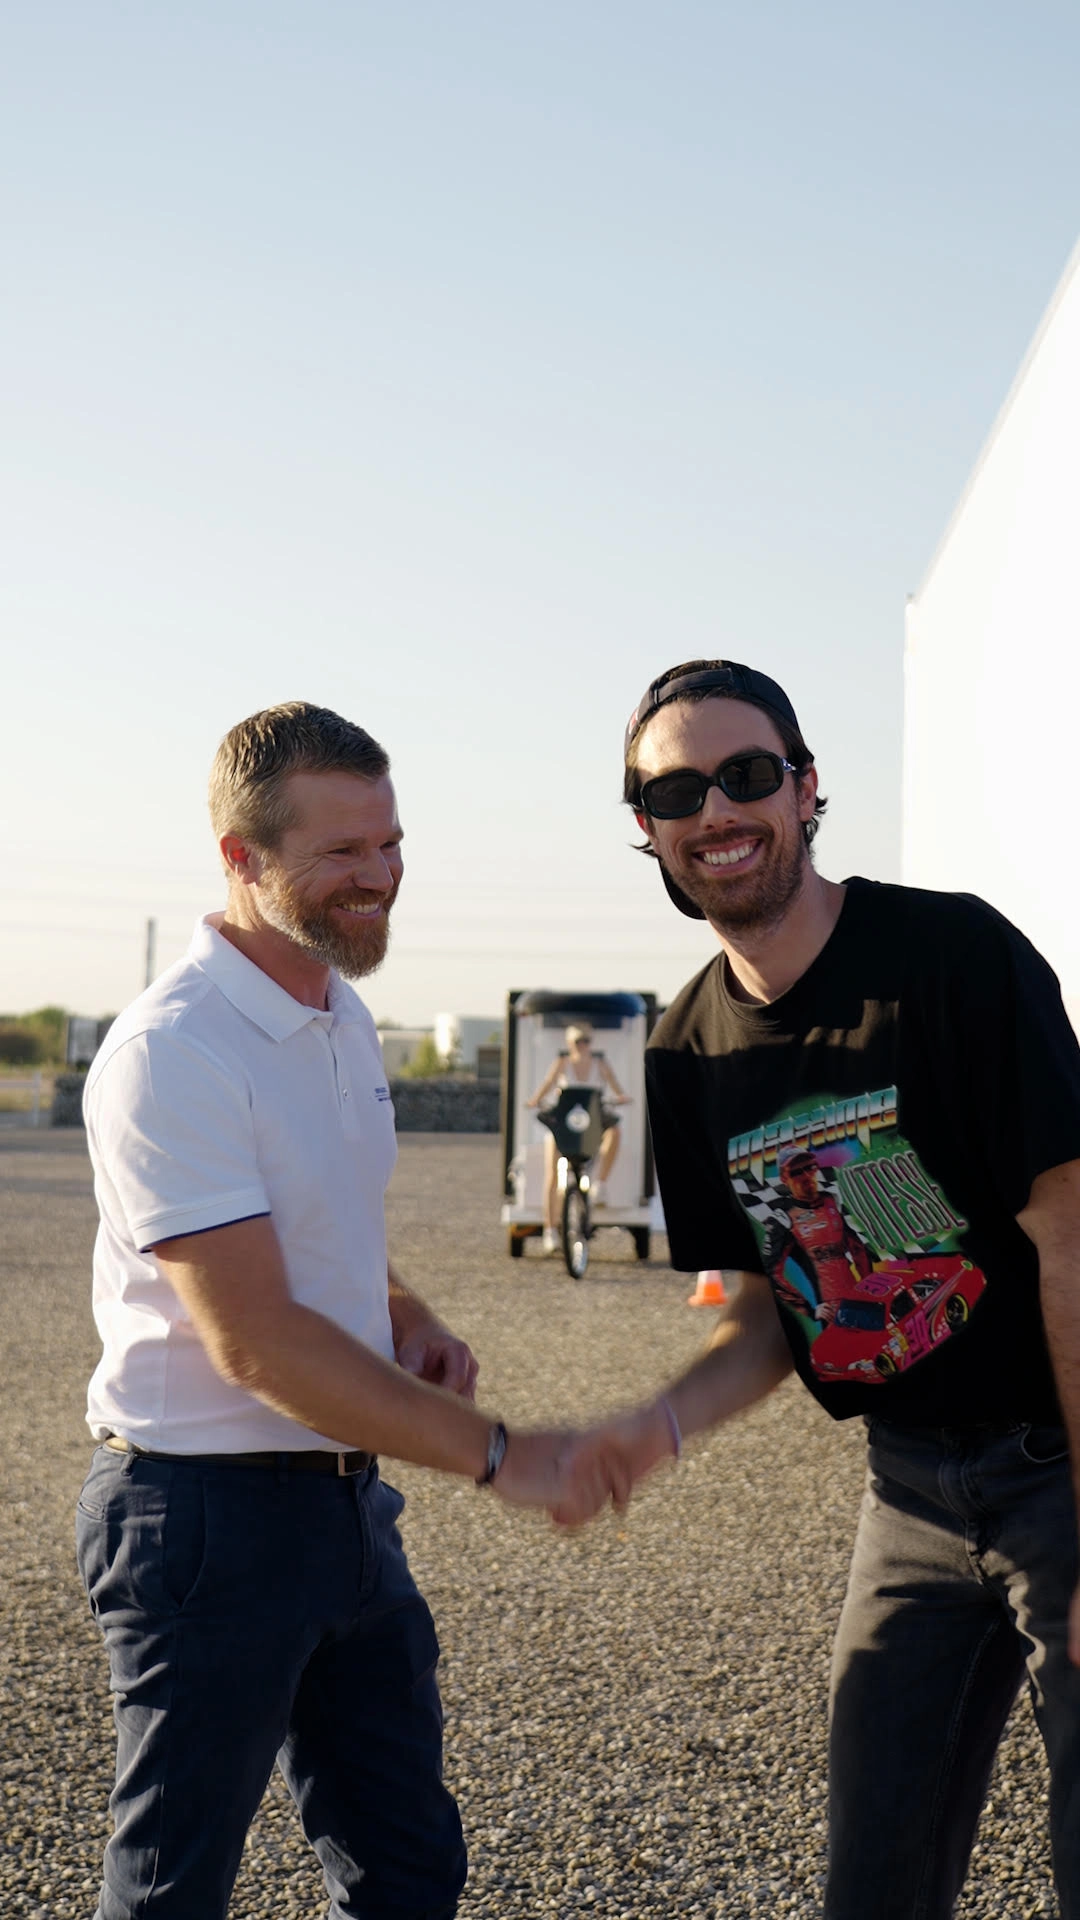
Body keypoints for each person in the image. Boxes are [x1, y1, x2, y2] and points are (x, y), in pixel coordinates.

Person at [77, 701, 623, 1920]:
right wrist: (499, 1455)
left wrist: (406, 1309)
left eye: (390, 844)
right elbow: (255, 1336)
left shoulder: (339, 1010)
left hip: (343, 1507)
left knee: (408, 1867)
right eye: (341, 854)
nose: (379, 878)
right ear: (239, 857)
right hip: (201, 1519)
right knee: (172, 1889)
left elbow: (321, 1239)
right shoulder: (176, 1051)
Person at [565, 659, 1080, 1918]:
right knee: (875, 1885)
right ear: (648, 832)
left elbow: (1070, 1240)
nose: (716, 811)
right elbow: (765, 1320)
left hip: (1057, 1468)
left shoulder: (953, 954)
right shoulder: (684, 1049)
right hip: (906, 1491)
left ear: (805, 790)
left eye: (746, 775)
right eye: (676, 790)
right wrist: (653, 1426)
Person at [525, 1022, 630, 1251]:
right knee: (552, 1175)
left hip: (591, 1124)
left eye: (586, 1041)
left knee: (615, 1131)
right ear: (569, 1043)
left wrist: (622, 1096)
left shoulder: (600, 1063)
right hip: (566, 1123)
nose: (582, 1045)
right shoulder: (562, 1063)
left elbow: (614, 1085)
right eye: (578, 1041)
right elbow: (548, 1083)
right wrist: (535, 1100)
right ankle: (550, 1229)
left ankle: (600, 1182)